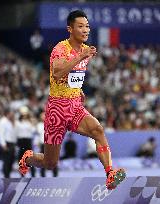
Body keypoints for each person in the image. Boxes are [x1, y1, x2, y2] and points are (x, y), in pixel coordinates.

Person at [19, 10, 126, 189]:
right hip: (57, 110)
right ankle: (28, 158)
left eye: (87, 26)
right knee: (50, 163)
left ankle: (109, 174)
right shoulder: (60, 49)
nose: (86, 30)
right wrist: (79, 57)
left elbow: (73, 76)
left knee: (98, 130)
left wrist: (79, 89)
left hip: (75, 106)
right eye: (81, 26)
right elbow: (57, 72)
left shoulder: (85, 50)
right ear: (70, 29)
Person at [35, 111, 58, 177]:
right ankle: (42, 175)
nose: (43, 117)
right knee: (42, 160)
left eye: (44, 115)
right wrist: (37, 143)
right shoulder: (39, 125)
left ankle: (55, 175)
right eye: (42, 116)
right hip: (43, 144)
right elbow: (38, 135)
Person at [15, 106, 36, 177]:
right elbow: (16, 132)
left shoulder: (30, 122)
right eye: (23, 114)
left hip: (28, 141)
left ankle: (33, 174)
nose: (24, 115)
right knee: (21, 158)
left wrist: (32, 123)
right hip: (21, 141)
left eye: (26, 114)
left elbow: (33, 131)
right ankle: (22, 175)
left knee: (30, 158)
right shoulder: (17, 122)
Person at [0, 108, 16, 178]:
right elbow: (1, 134)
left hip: (12, 143)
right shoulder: (2, 121)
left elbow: (13, 132)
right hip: (6, 143)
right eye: (12, 113)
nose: (13, 114)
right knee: (7, 160)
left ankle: (8, 174)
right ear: (8, 113)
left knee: (11, 159)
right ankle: (6, 175)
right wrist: (3, 144)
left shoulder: (10, 121)